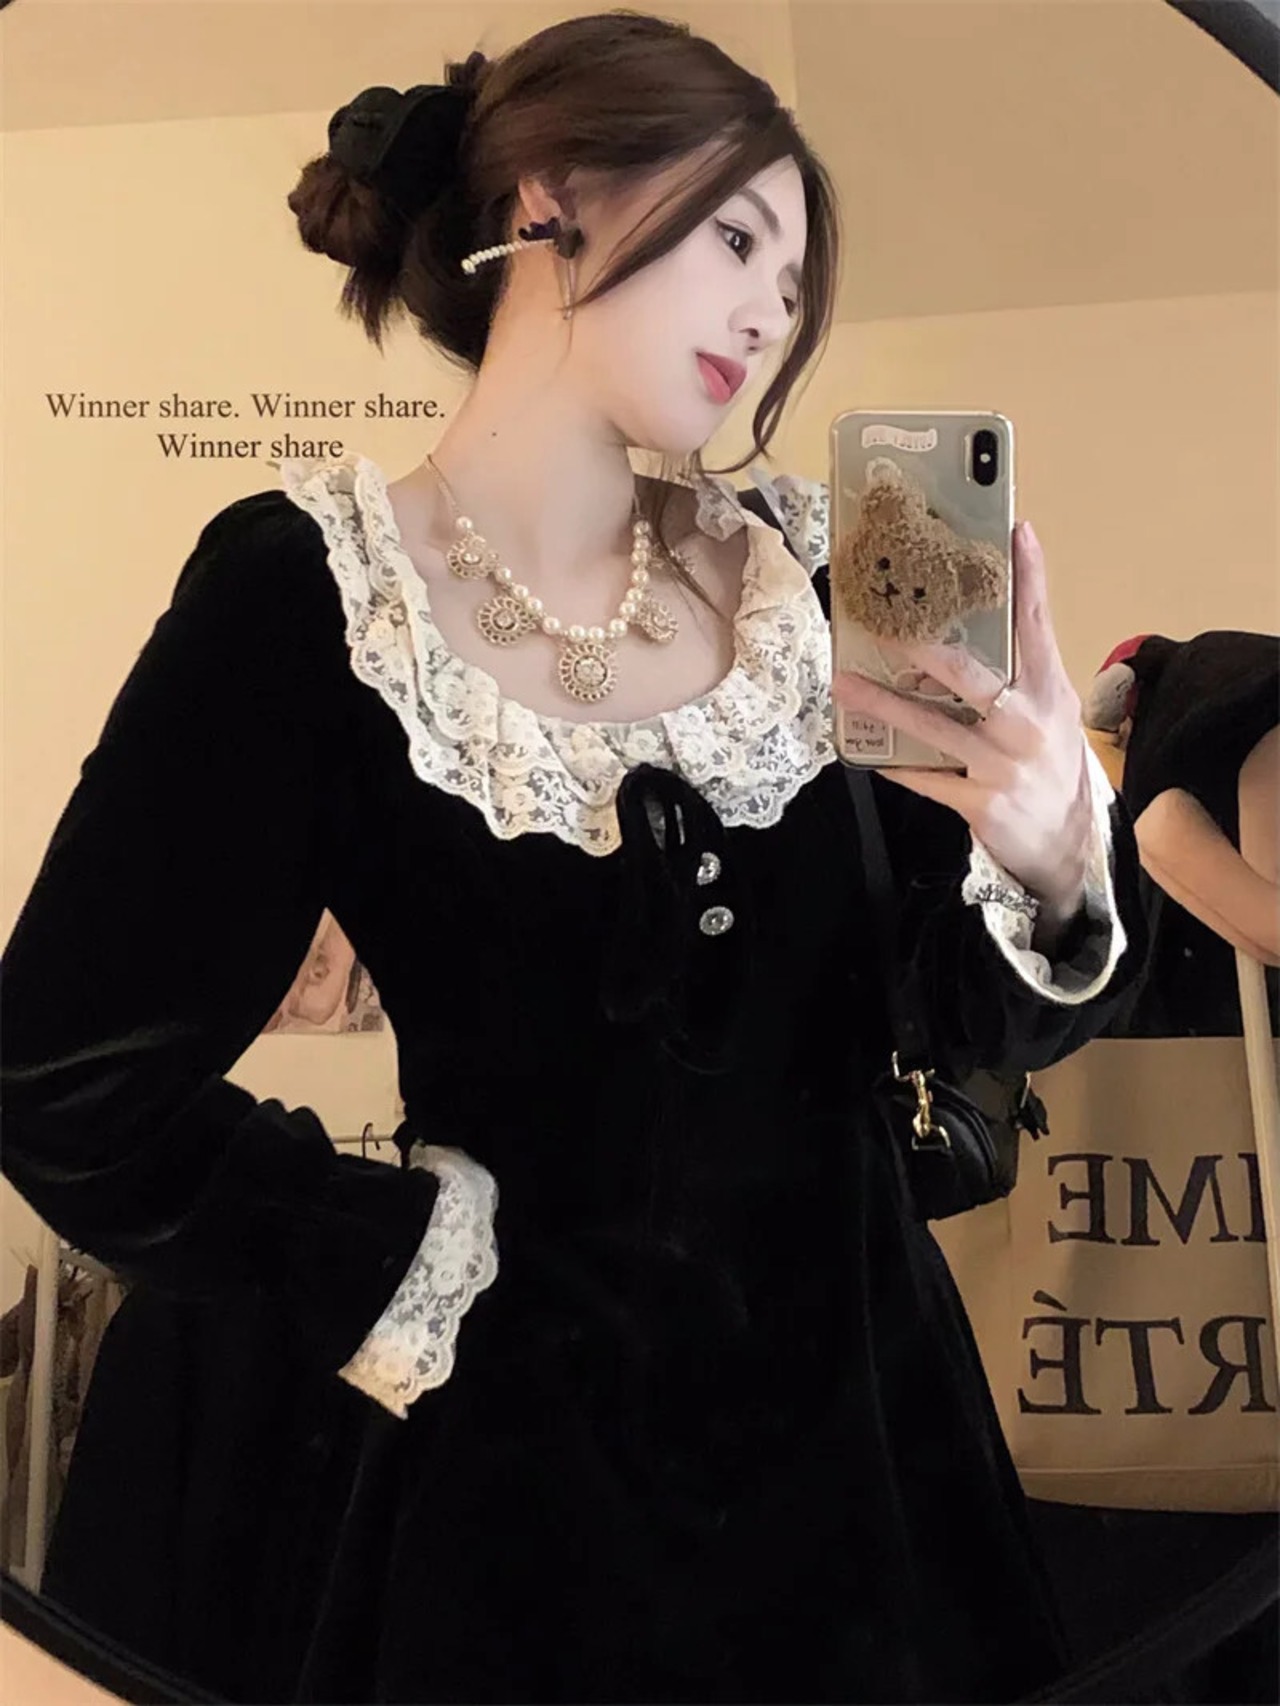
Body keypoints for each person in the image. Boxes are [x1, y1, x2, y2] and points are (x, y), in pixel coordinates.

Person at [0, 12, 1146, 1703]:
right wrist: (402, 1252)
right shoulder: (312, 597)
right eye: (738, 241)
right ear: (551, 196)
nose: (769, 314)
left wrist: (1047, 858)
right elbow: (61, 1076)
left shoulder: (826, 570)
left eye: (793, 284)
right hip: (516, 1513)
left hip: (874, 1471)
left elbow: (961, 1015)